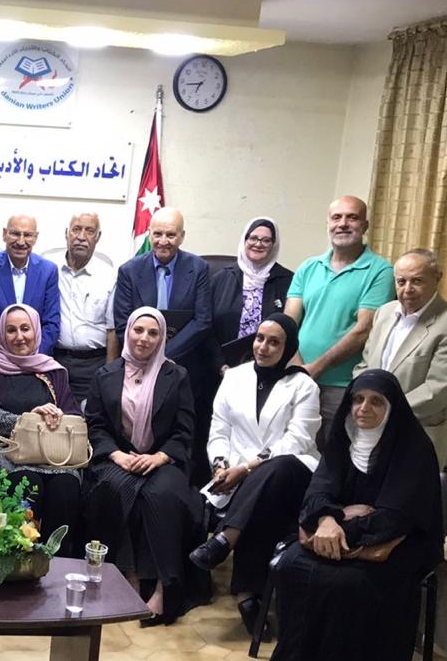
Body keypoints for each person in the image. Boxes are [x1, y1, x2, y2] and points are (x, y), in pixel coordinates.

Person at [257, 370, 445, 661]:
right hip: (343, 535)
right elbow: (317, 492)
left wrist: (340, 525)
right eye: (358, 399)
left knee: (349, 585)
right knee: (292, 565)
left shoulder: (413, 447)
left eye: (376, 402)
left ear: (392, 408)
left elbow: (395, 517)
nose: (363, 408)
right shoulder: (344, 437)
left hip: (399, 544)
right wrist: (330, 519)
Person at [188, 314, 320, 634]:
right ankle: (248, 595)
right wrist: (221, 466)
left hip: (293, 471)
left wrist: (246, 468)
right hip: (241, 475)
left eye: (274, 342)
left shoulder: (304, 385)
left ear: (289, 347)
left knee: (275, 469)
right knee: (261, 500)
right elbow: (219, 430)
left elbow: (297, 441)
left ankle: (227, 539)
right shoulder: (234, 377)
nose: (263, 347)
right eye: (260, 338)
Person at [85, 308, 207, 625]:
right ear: (127, 332)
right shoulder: (106, 374)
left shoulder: (176, 375)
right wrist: (117, 455)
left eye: (153, 333)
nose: (144, 338)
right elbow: (95, 426)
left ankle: (165, 587)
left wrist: (159, 457)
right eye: (138, 330)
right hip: (117, 458)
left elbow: (185, 431)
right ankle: (130, 576)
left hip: (163, 459)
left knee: (160, 495)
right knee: (116, 488)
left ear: (162, 338)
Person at [0, 304, 80, 555]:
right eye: (11, 330)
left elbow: (74, 416)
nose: (19, 336)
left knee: (66, 484)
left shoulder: (53, 371)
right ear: (1, 334)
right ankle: (17, 560)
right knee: (28, 482)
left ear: (36, 331)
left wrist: (57, 415)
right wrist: (29, 420)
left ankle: (55, 561)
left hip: (50, 450)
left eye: (25, 328)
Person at [111, 207, 213, 482]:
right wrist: (149, 352)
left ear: (182, 236)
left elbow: (203, 320)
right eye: (157, 234)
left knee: (178, 436)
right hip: (137, 371)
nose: (163, 241)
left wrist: (162, 354)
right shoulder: (130, 270)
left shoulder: (198, 268)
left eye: (171, 235)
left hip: (182, 369)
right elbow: (122, 324)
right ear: (149, 234)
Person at [284, 196, 395, 443]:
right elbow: (287, 324)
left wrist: (314, 369)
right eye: (337, 217)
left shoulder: (381, 271)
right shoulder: (308, 267)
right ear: (328, 224)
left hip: (342, 387)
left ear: (365, 226)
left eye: (352, 217)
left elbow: (363, 329)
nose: (343, 223)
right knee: (292, 452)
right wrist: (299, 369)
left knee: (333, 455)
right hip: (297, 379)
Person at [355, 248, 447, 469]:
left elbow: (437, 389)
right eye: (401, 281)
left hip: (417, 435)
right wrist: (360, 401)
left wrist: (382, 411)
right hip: (371, 430)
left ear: (437, 279)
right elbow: (364, 366)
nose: (407, 289)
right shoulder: (384, 312)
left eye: (417, 281)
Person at [208, 217, 294, 365]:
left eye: (266, 240)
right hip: (221, 367)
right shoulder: (220, 279)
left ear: (274, 245)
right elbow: (206, 328)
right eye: (253, 238)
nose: (258, 244)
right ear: (245, 239)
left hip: (270, 368)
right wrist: (221, 366)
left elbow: (289, 331)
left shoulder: (288, 280)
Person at [0, 215, 61, 356]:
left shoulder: (48, 271)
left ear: (35, 238)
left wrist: (32, 359)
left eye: (27, 235)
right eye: (15, 233)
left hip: (37, 359)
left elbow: (51, 323)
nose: (21, 241)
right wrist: (7, 361)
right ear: (4, 234)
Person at [54, 212, 117, 403]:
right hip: (55, 361)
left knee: (89, 416)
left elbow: (112, 330)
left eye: (89, 231)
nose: (81, 237)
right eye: (76, 229)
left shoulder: (109, 276)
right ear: (66, 233)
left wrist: (109, 373)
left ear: (98, 237)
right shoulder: (50, 270)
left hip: (94, 365)